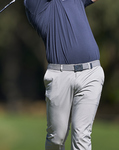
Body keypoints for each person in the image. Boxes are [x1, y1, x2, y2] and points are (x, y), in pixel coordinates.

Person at [24, 0, 104, 150]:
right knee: (57, 138)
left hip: (91, 73)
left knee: (82, 136)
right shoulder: (35, 5)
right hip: (60, 76)